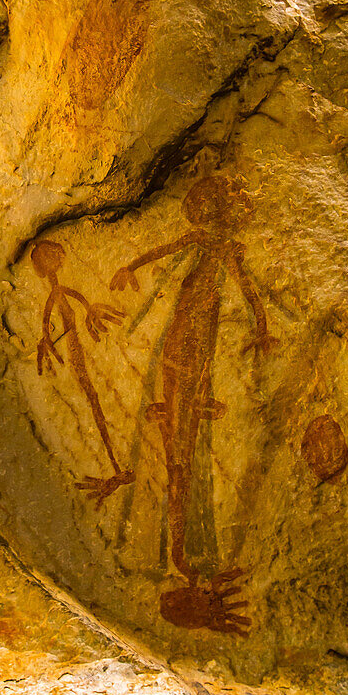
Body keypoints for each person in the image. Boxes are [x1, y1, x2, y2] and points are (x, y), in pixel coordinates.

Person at [110, 174, 278, 634]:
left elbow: (248, 290)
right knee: (179, 443)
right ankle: (179, 554)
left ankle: (184, 554)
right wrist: (131, 267)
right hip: (186, 334)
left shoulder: (226, 249)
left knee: (185, 447)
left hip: (200, 338)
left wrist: (262, 329)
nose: (218, 217)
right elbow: (163, 255)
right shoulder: (206, 242)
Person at [32, 239, 134, 508]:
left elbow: (79, 309)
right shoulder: (56, 294)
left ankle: (118, 466)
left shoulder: (62, 291)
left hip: (84, 355)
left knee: (97, 401)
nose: (53, 262)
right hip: (77, 359)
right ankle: (116, 467)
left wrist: (91, 316)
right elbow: (46, 325)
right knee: (93, 401)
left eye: (52, 256)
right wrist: (45, 342)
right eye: (47, 259)